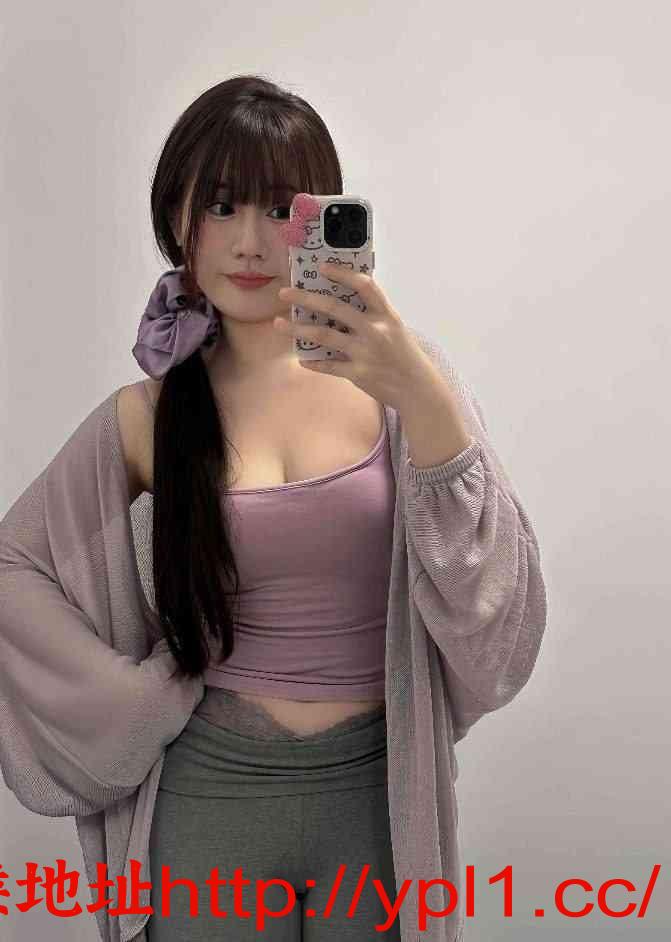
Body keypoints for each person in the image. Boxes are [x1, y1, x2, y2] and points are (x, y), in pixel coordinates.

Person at [0, 73, 548, 942]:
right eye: (221, 206)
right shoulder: (148, 415)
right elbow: (14, 564)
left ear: (321, 219)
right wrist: (133, 704)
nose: (251, 242)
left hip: (374, 793)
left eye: (279, 208)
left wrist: (426, 401)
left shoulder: (401, 382)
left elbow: (499, 625)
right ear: (176, 216)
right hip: (208, 796)